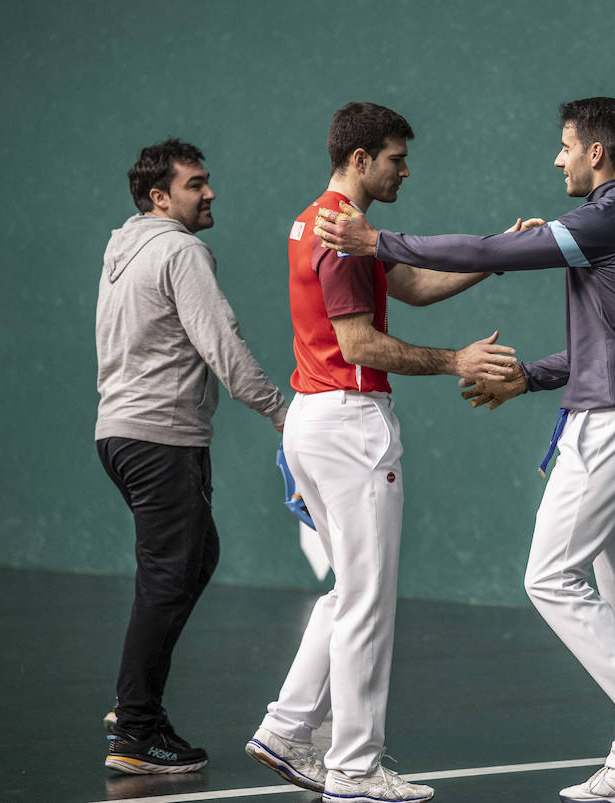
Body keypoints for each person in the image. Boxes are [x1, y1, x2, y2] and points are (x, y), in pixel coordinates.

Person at [316, 96, 615, 803]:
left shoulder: (608, 218)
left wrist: (382, 244)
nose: (556, 159)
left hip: (612, 424)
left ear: (596, 153)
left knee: (549, 576)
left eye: (564, 147)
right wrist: (529, 377)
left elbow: (498, 252)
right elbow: (609, 345)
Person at [245, 102, 517, 803]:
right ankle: (356, 767)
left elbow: (416, 285)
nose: (406, 169)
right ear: (361, 160)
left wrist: (498, 257)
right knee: (368, 600)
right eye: (396, 157)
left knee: (349, 591)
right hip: (350, 421)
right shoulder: (339, 233)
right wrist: (458, 360)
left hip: (316, 417)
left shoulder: (322, 220)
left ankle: (286, 728)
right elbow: (361, 344)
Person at [96, 139, 288, 774]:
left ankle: (136, 705)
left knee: (193, 558)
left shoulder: (125, 247)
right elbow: (223, 346)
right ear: (160, 197)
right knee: (168, 575)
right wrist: (281, 410)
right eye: (195, 184)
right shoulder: (180, 250)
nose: (209, 193)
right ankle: (137, 727)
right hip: (160, 438)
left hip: (121, 436)